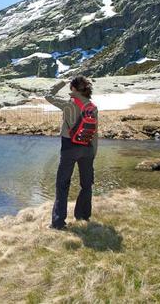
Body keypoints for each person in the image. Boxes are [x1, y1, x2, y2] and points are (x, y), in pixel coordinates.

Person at [45, 76, 98, 230]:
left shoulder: (69, 105)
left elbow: (48, 95)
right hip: (87, 148)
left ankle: (58, 222)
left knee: (62, 184)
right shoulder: (93, 107)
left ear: (73, 89)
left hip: (69, 147)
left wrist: (62, 82)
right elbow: (95, 133)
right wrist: (93, 154)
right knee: (86, 185)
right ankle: (83, 216)